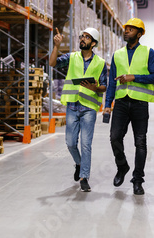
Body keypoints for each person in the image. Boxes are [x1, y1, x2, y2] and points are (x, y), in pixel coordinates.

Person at [103, 18, 154, 195]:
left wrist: (134, 77)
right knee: (114, 137)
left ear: (140, 33)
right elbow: (112, 82)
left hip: (139, 104)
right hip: (121, 103)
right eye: (126, 28)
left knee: (140, 142)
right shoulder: (117, 54)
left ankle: (138, 180)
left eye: (131, 29)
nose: (126, 31)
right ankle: (122, 166)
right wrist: (108, 104)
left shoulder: (148, 52)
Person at [49, 27, 107, 192]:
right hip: (72, 106)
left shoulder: (100, 63)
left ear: (93, 43)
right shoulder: (72, 57)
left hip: (89, 108)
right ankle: (79, 163)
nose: (83, 39)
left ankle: (84, 177)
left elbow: (104, 86)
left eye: (87, 37)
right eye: (82, 36)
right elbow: (52, 63)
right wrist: (56, 46)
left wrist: (96, 87)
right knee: (70, 143)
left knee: (86, 144)